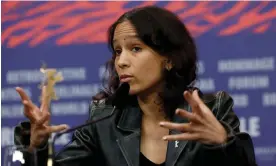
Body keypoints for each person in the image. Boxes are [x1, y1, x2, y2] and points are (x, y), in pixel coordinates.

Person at [14, 5, 257, 166]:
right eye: (117, 51)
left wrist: (223, 142)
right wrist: (36, 147)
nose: (121, 61)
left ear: (169, 59)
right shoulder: (105, 119)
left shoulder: (212, 109)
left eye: (136, 49)